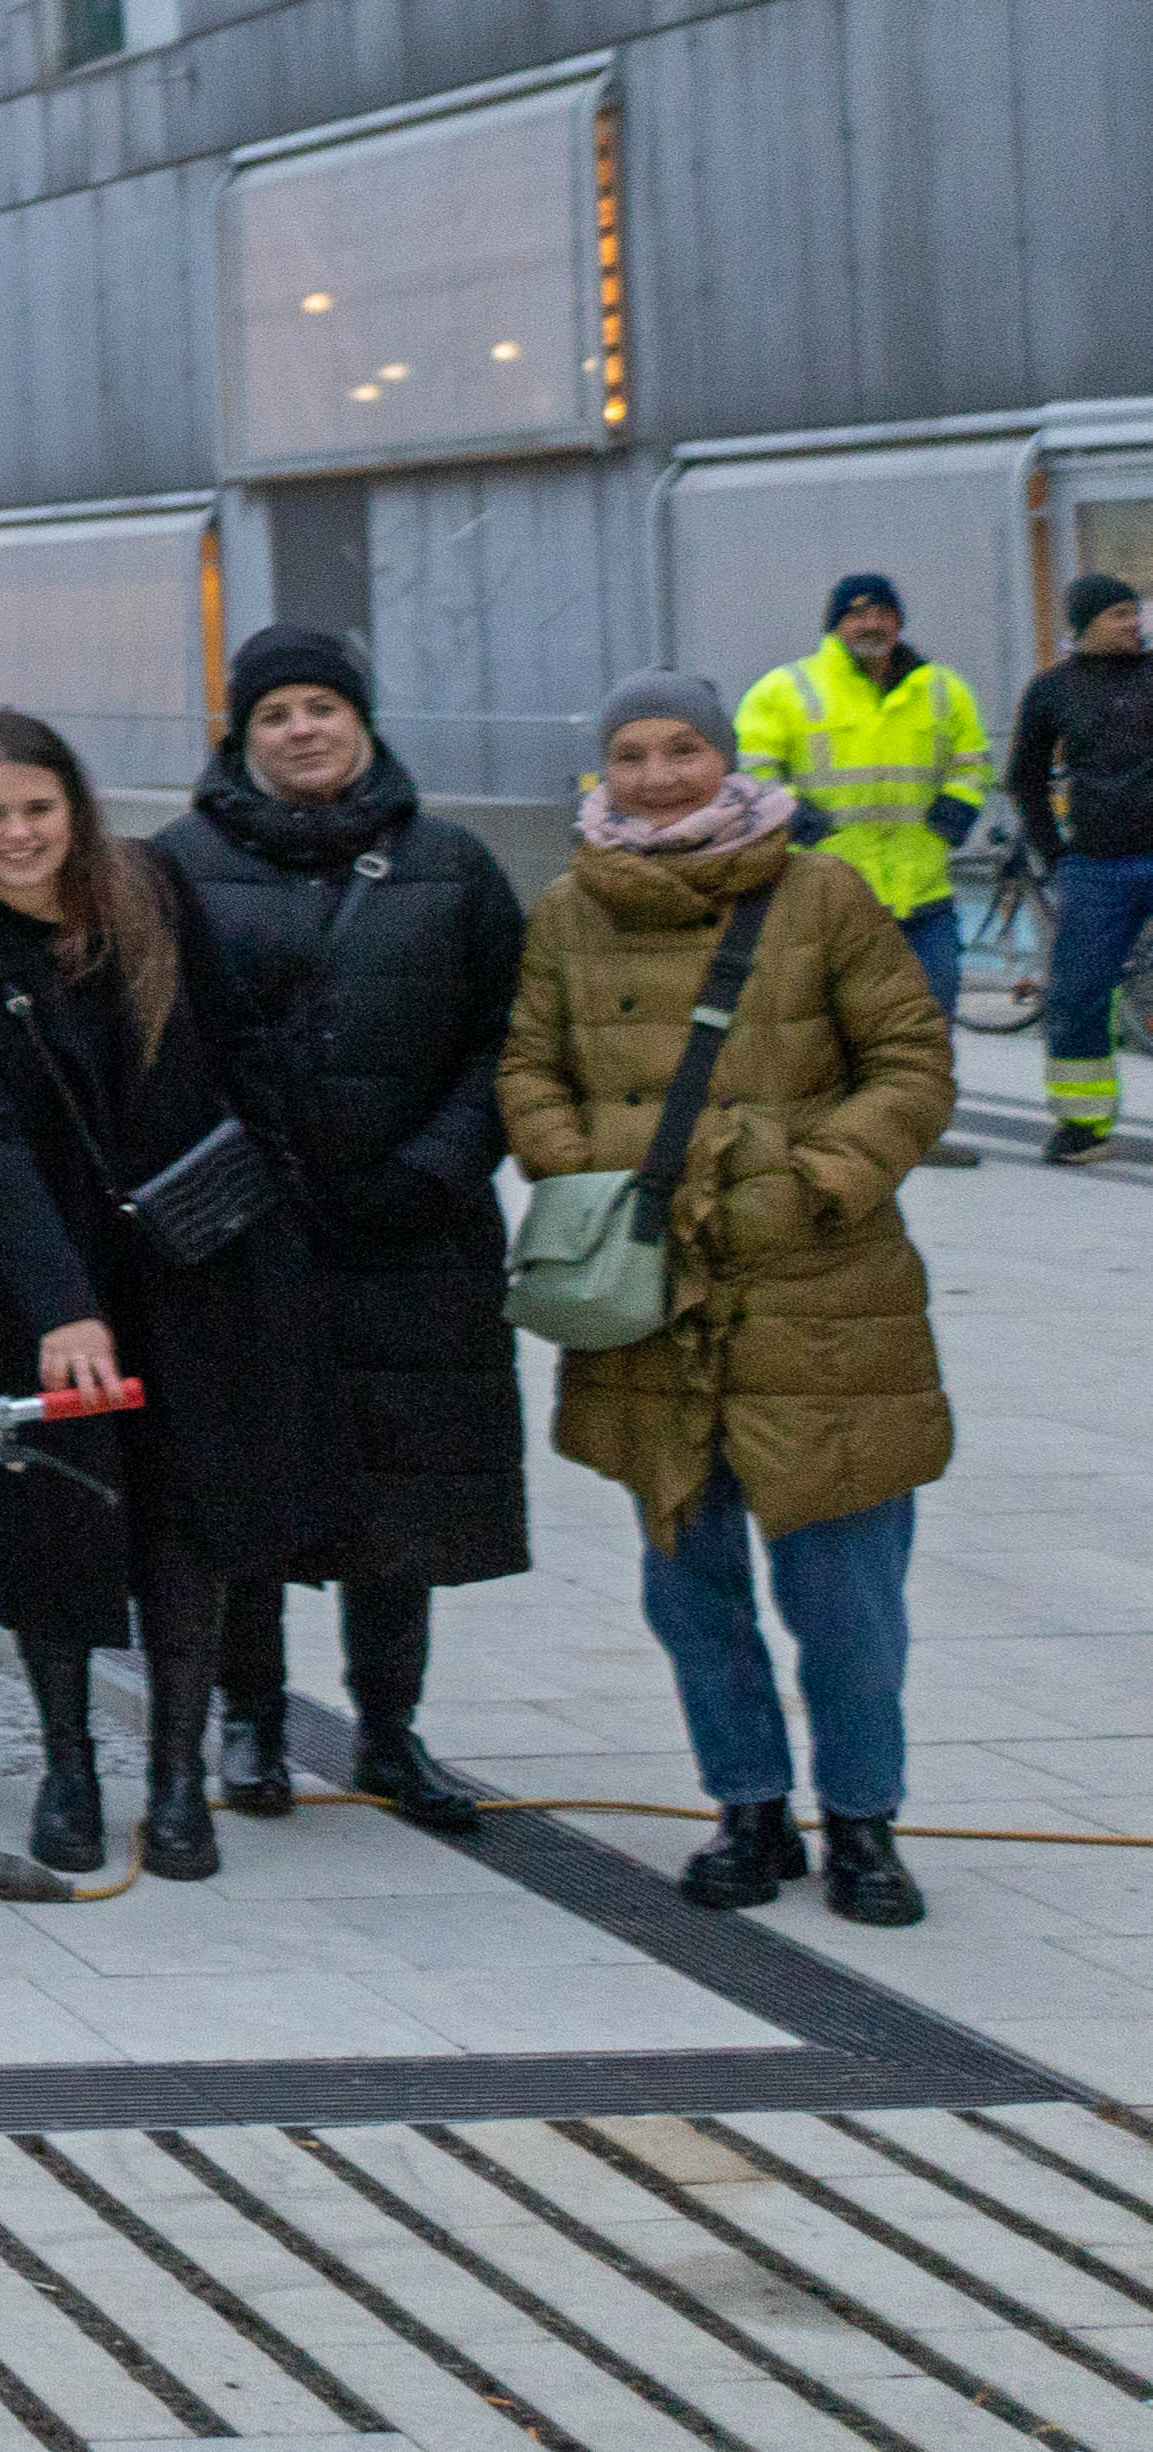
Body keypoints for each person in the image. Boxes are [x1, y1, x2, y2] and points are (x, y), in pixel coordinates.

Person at [505, 671, 958, 1925]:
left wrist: (815, 1179)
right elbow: (527, 1065)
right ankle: (746, 1807)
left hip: (818, 1288)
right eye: (630, 753)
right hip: (655, 1291)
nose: (655, 774)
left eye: (682, 748)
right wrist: (577, 1168)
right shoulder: (565, 910)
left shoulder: (819, 893)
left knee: (842, 1591)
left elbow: (911, 1061)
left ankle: (861, 1820)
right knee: (689, 1582)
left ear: (726, 758)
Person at [0, 708, 332, 1880]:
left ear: (71, 806)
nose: (18, 834)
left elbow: (240, 1053)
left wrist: (269, 1194)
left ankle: (176, 1781)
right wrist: (64, 1306)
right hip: (37, 1282)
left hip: (191, 1266)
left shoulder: (150, 898)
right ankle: (66, 1767)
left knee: (185, 1519)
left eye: (36, 807)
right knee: (48, 1524)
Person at [150, 625, 527, 1832]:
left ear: (359, 721)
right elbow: (156, 1052)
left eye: (320, 707)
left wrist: (436, 1164)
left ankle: (387, 1726)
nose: (299, 729)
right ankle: (249, 1720)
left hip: (412, 1232)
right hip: (248, 1233)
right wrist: (238, 1174)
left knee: (399, 1490)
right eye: (273, 714)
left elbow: (507, 1040)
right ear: (239, 734)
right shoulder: (174, 866)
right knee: (242, 1477)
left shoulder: (452, 866)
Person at [738, 573, 992, 1031]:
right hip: (825, 904)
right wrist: (791, 813)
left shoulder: (941, 688)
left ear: (898, 622)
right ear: (834, 625)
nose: (872, 624)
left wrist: (959, 805)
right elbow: (751, 769)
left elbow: (972, 759)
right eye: (858, 615)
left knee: (929, 1036)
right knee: (831, 1040)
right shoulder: (784, 689)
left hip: (922, 901)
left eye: (883, 613)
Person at [1003, 571, 1153, 1163]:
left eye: (1134, 613)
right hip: (1096, 870)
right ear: (1085, 624)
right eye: (1120, 615)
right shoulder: (1052, 690)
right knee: (1076, 995)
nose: (1133, 624)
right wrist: (1054, 855)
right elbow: (1026, 778)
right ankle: (1084, 1126)